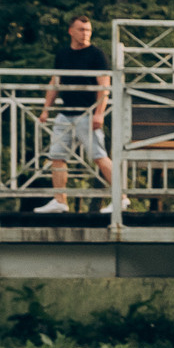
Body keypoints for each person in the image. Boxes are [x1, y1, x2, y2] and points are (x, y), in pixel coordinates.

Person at [34, 15, 114, 213]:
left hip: (87, 114)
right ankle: (60, 200)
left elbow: (105, 86)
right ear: (71, 31)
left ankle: (121, 197)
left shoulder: (96, 54)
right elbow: (55, 82)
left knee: (99, 156)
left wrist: (99, 114)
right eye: (81, 30)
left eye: (88, 30)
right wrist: (45, 110)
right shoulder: (63, 54)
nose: (85, 34)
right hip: (65, 113)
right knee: (57, 156)